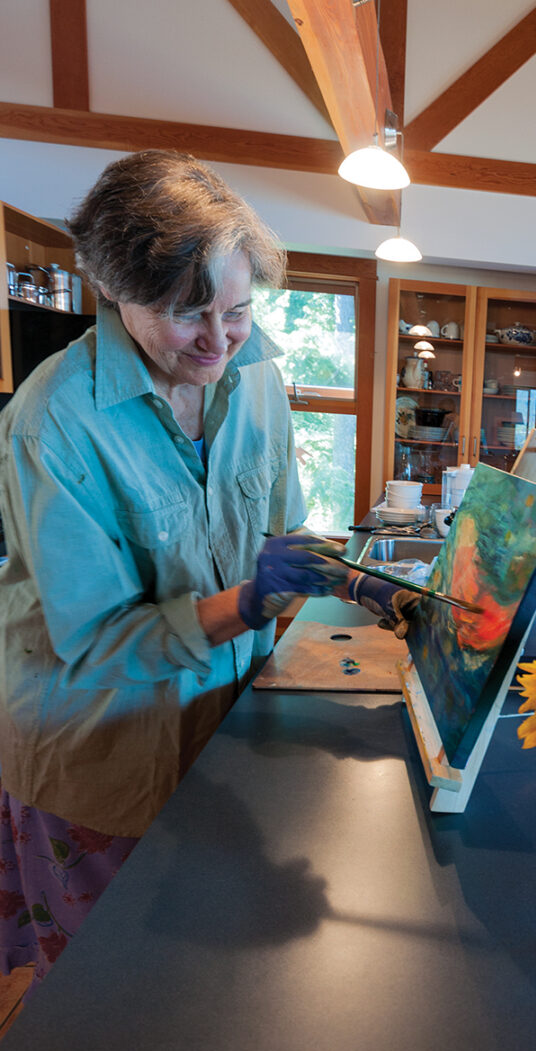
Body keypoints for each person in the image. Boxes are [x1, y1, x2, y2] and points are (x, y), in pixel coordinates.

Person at [0, 149, 414, 992]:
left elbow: (283, 524)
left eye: (237, 309)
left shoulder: (254, 366)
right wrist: (247, 599)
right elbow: (99, 645)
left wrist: (356, 580)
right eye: (189, 315)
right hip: (96, 746)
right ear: (113, 289)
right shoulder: (55, 422)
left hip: (217, 717)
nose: (220, 339)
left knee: (208, 985)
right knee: (112, 992)